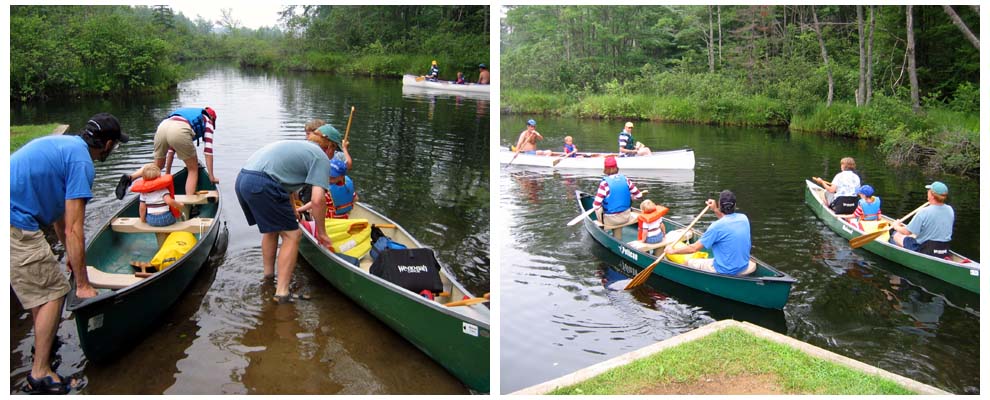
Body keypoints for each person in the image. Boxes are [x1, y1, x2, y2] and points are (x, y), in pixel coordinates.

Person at [11, 113, 129, 393]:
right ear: (108, 144)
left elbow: (60, 220)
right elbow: (75, 229)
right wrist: (83, 283)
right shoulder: (81, 163)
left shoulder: (64, 147)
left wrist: (68, 258)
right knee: (55, 291)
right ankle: (40, 374)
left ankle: (46, 345)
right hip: (13, 221)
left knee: (41, 288)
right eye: (115, 146)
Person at [235, 138, 335, 304]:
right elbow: (318, 201)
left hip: (244, 179)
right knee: (293, 235)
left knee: (271, 230)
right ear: (330, 147)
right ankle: (282, 293)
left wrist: (293, 209)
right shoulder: (321, 158)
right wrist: (322, 233)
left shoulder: (304, 149)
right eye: (335, 149)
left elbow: (285, 184)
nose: (333, 155)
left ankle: (268, 278)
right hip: (263, 184)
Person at [118, 107, 218, 200]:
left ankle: (130, 177)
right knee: (192, 169)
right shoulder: (208, 120)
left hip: (162, 127)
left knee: (157, 166)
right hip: (179, 130)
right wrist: (211, 176)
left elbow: (171, 149)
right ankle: (188, 205)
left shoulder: (185, 115)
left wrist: (167, 174)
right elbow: (208, 151)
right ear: (212, 118)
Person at [665, 190, 757, 276]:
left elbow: (693, 248)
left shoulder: (716, 227)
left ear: (720, 205)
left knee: (688, 262)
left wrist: (673, 251)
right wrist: (714, 209)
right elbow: (726, 221)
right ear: (735, 205)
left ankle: (682, 278)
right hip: (743, 265)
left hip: (725, 270)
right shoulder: (743, 218)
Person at [891, 181, 954, 257]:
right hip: (944, 249)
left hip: (925, 250)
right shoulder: (950, 209)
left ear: (932, 195)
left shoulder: (924, 212)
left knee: (896, 235)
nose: (927, 192)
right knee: (914, 235)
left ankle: (903, 254)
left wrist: (896, 226)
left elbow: (907, 232)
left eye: (929, 191)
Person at [593, 156, 644, 239]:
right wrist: (630, 196)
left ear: (605, 169)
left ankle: (605, 232)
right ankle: (617, 237)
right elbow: (639, 196)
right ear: (616, 167)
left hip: (611, 220)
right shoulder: (626, 179)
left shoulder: (604, 184)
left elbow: (596, 205)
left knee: (598, 208)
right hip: (626, 216)